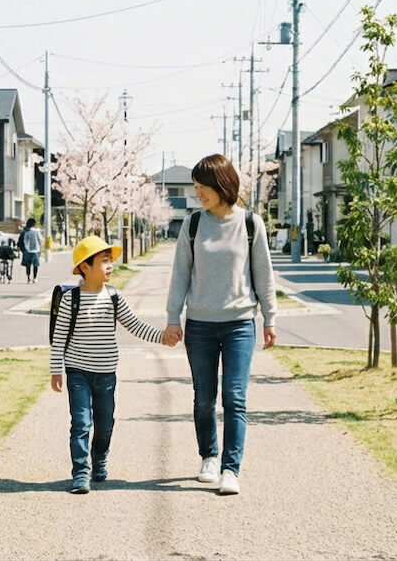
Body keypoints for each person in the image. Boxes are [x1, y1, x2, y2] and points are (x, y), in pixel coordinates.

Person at [165, 153, 277, 496]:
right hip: (199, 325)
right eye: (196, 188)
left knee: (234, 397)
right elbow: (181, 273)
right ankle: (209, 457)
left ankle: (231, 468)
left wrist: (270, 317)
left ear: (223, 184)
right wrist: (173, 318)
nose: (198, 194)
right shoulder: (193, 224)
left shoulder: (250, 224)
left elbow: (263, 274)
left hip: (240, 324)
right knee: (203, 398)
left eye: (203, 187)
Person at [50, 235, 174, 494]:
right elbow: (59, 337)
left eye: (110, 261)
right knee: (81, 423)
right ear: (85, 266)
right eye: (104, 261)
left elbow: (135, 325)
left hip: (106, 374)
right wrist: (56, 370)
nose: (110, 266)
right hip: (78, 373)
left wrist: (162, 337)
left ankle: (100, 458)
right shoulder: (70, 299)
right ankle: (81, 474)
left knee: (105, 424)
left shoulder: (114, 297)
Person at [20, 217, 43, 283]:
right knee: (35, 265)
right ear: (34, 224)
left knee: (28, 265)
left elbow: (25, 241)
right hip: (36, 250)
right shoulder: (37, 231)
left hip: (27, 251)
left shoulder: (26, 232)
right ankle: (35, 278)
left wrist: (26, 249)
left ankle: (28, 278)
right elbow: (41, 240)